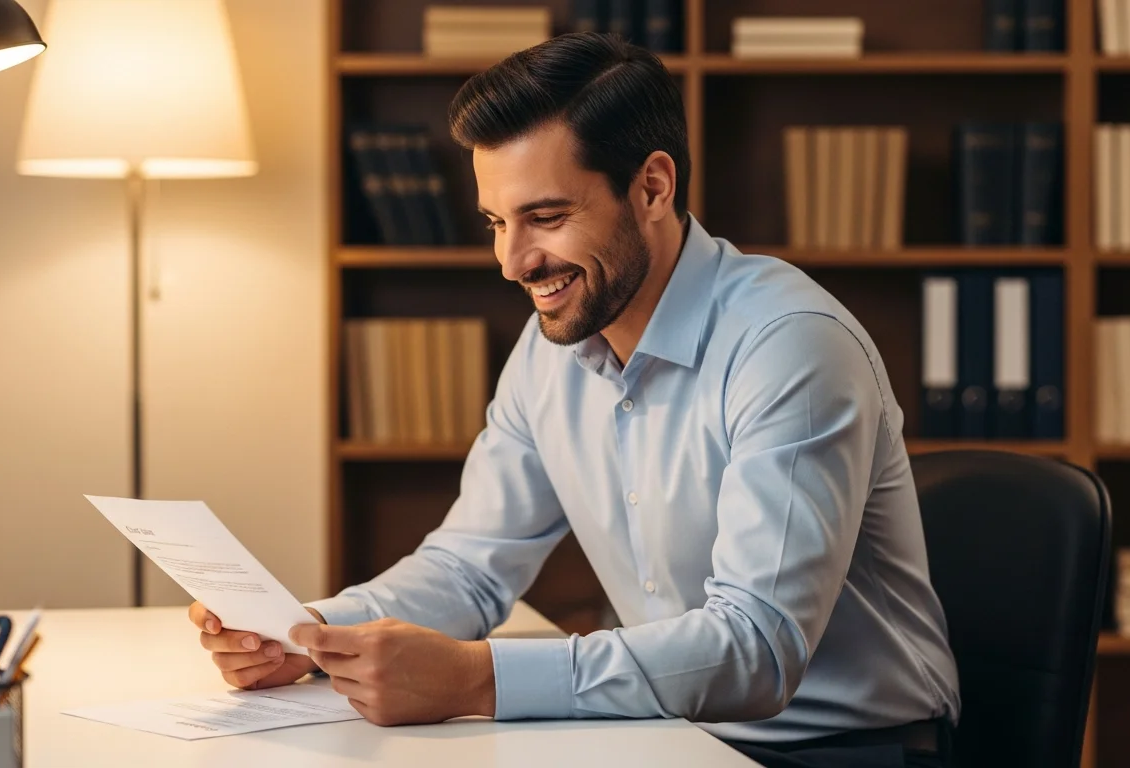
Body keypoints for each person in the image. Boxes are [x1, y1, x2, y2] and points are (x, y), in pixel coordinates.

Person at [189, 31, 960, 768]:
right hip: (665, 739)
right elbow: (469, 570)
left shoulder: (788, 344)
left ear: (652, 187)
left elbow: (755, 650)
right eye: (497, 222)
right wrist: (311, 634)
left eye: (547, 218)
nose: (512, 262)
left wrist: (478, 678)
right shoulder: (551, 347)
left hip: (842, 753)